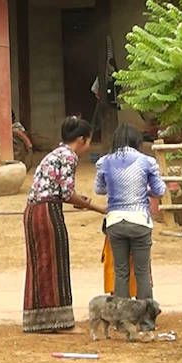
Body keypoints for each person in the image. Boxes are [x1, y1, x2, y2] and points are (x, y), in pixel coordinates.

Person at [23, 117, 106, 333]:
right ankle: (59, 323)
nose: (88, 147)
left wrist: (81, 201)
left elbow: (63, 192)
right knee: (55, 263)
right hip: (47, 212)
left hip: (33, 212)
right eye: (88, 141)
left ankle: (38, 319)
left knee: (40, 263)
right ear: (81, 139)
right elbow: (67, 194)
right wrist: (97, 207)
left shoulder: (55, 154)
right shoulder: (69, 156)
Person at [94, 124, 166, 316]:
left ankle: (121, 318)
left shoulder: (104, 162)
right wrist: (144, 191)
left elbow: (99, 189)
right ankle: (146, 319)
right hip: (140, 221)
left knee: (121, 271)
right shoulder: (147, 161)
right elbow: (160, 191)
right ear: (137, 142)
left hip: (115, 221)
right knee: (142, 272)